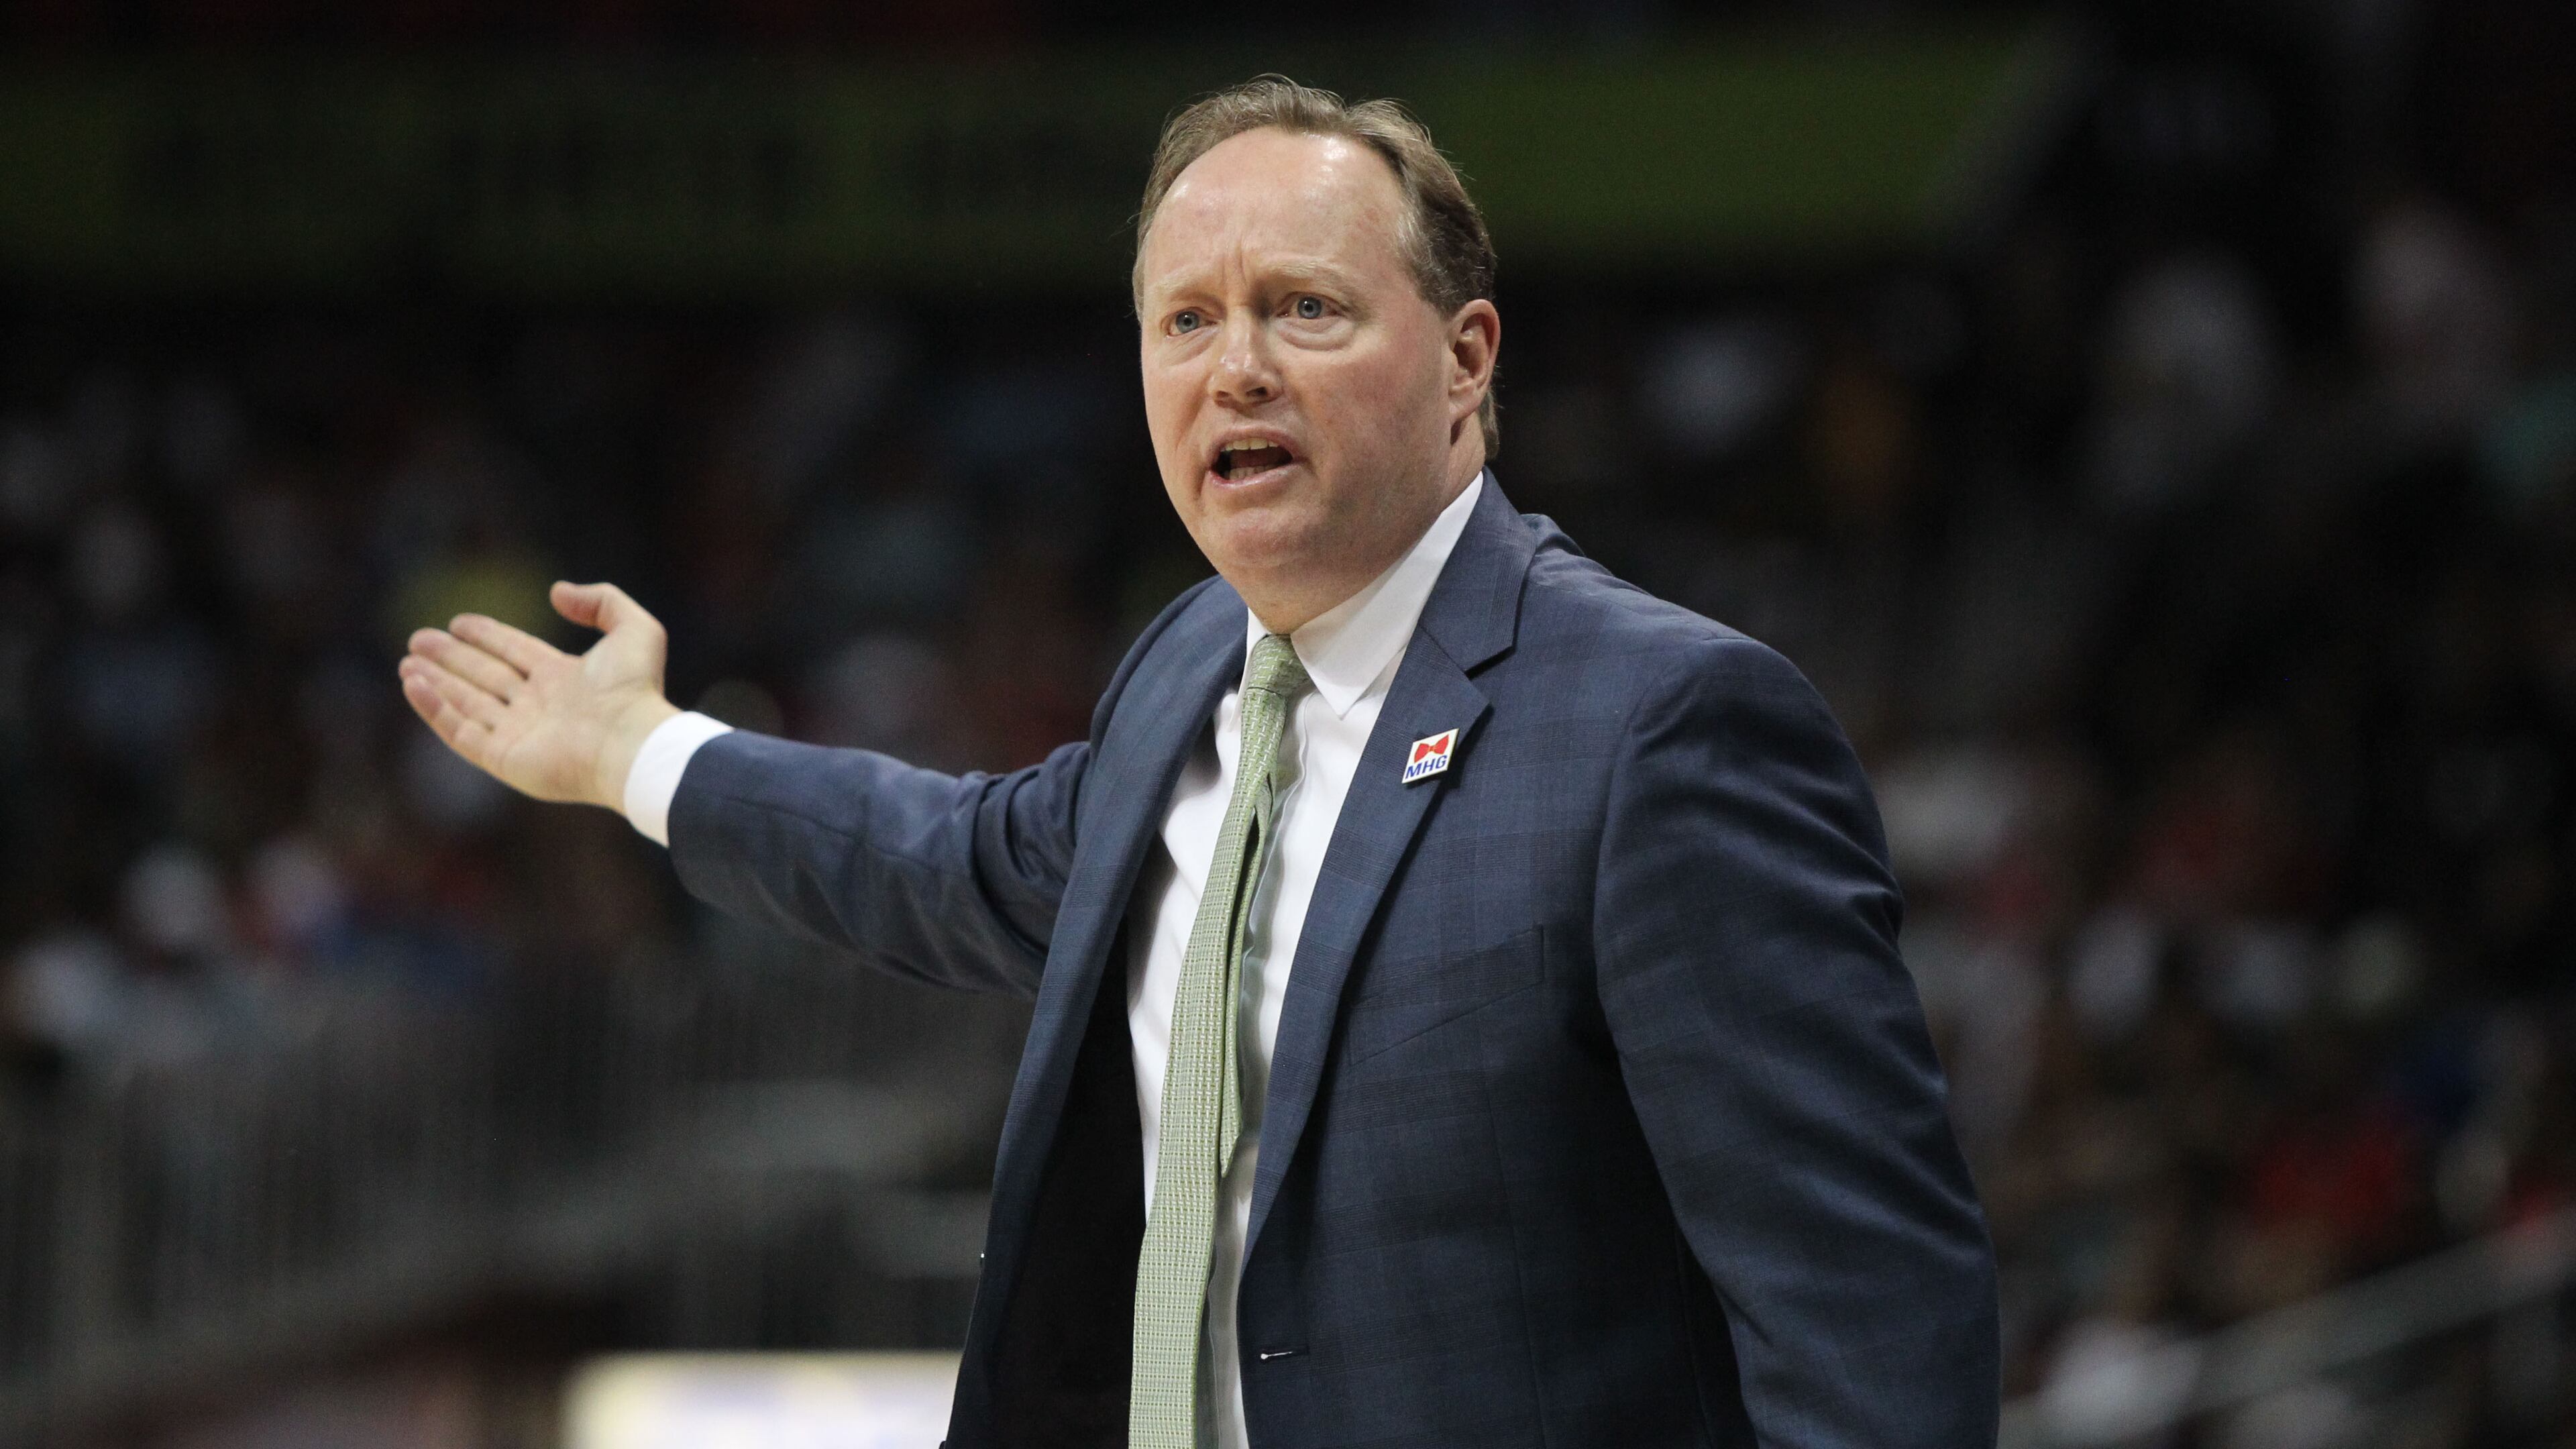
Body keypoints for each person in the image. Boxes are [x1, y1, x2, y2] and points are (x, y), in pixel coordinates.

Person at [398, 77, 1998, 1449]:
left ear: (1465, 358)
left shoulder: (1666, 727)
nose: (1236, 367)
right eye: (1187, 320)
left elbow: (1869, 1324)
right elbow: (964, 864)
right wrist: (642, 754)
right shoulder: (1186, 670)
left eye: (1305, 307)